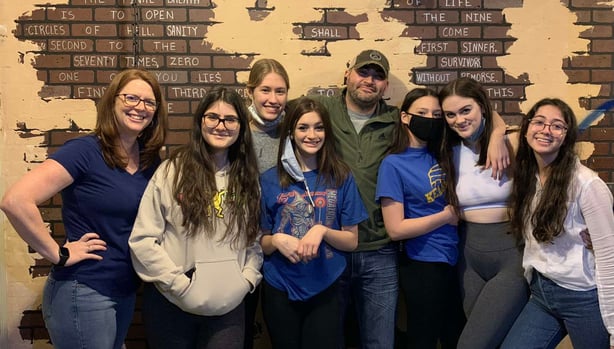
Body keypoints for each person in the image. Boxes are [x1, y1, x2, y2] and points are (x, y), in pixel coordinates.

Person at [0, 68, 168, 349]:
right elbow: (15, 200)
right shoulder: (85, 151)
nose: (140, 107)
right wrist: (59, 254)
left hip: (124, 290)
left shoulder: (150, 162)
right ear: (112, 101)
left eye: (149, 102)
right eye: (131, 98)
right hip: (85, 290)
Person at [128, 86, 262, 349]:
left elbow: (253, 240)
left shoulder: (246, 178)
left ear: (241, 127)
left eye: (230, 119)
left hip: (228, 309)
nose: (221, 125)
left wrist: (246, 279)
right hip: (172, 306)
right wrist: (178, 285)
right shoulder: (172, 172)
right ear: (200, 121)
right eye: (213, 117)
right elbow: (143, 240)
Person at [500, 98, 614, 349]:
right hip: (542, 294)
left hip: (583, 298)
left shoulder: (586, 184)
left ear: (566, 136)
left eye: (557, 125)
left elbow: (609, 258)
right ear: (527, 127)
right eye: (539, 122)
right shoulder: (528, 175)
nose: (546, 130)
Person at [259, 96, 367, 349]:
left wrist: (321, 230)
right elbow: (261, 242)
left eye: (319, 127)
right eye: (303, 127)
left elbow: (351, 241)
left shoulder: (341, 176)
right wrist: (275, 239)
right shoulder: (269, 179)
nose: (312, 135)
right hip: (280, 285)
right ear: (291, 132)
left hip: (326, 285)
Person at [439, 77, 529, 349]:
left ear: (482, 107)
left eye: (466, 110)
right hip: (467, 256)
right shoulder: (449, 150)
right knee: (489, 340)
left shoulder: (511, 141)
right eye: (450, 114)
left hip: (510, 253)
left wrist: (498, 133)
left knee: (471, 344)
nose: (459, 120)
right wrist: (496, 131)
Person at [376, 88, 465, 349]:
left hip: (455, 258)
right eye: (422, 113)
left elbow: (490, 118)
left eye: (437, 114)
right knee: (423, 338)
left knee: (456, 335)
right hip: (423, 264)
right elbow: (396, 228)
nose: (430, 119)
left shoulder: (443, 152)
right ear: (405, 117)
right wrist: (445, 216)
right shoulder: (393, 164)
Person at [244, 58, 290, 349]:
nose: (273, 99)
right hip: (240, 243)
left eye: (281, 91)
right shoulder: (235, 133)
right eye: (265, 90)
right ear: (250, 91)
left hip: (279, 243)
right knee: (241, 327)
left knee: (282, 331)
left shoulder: (294, 133)